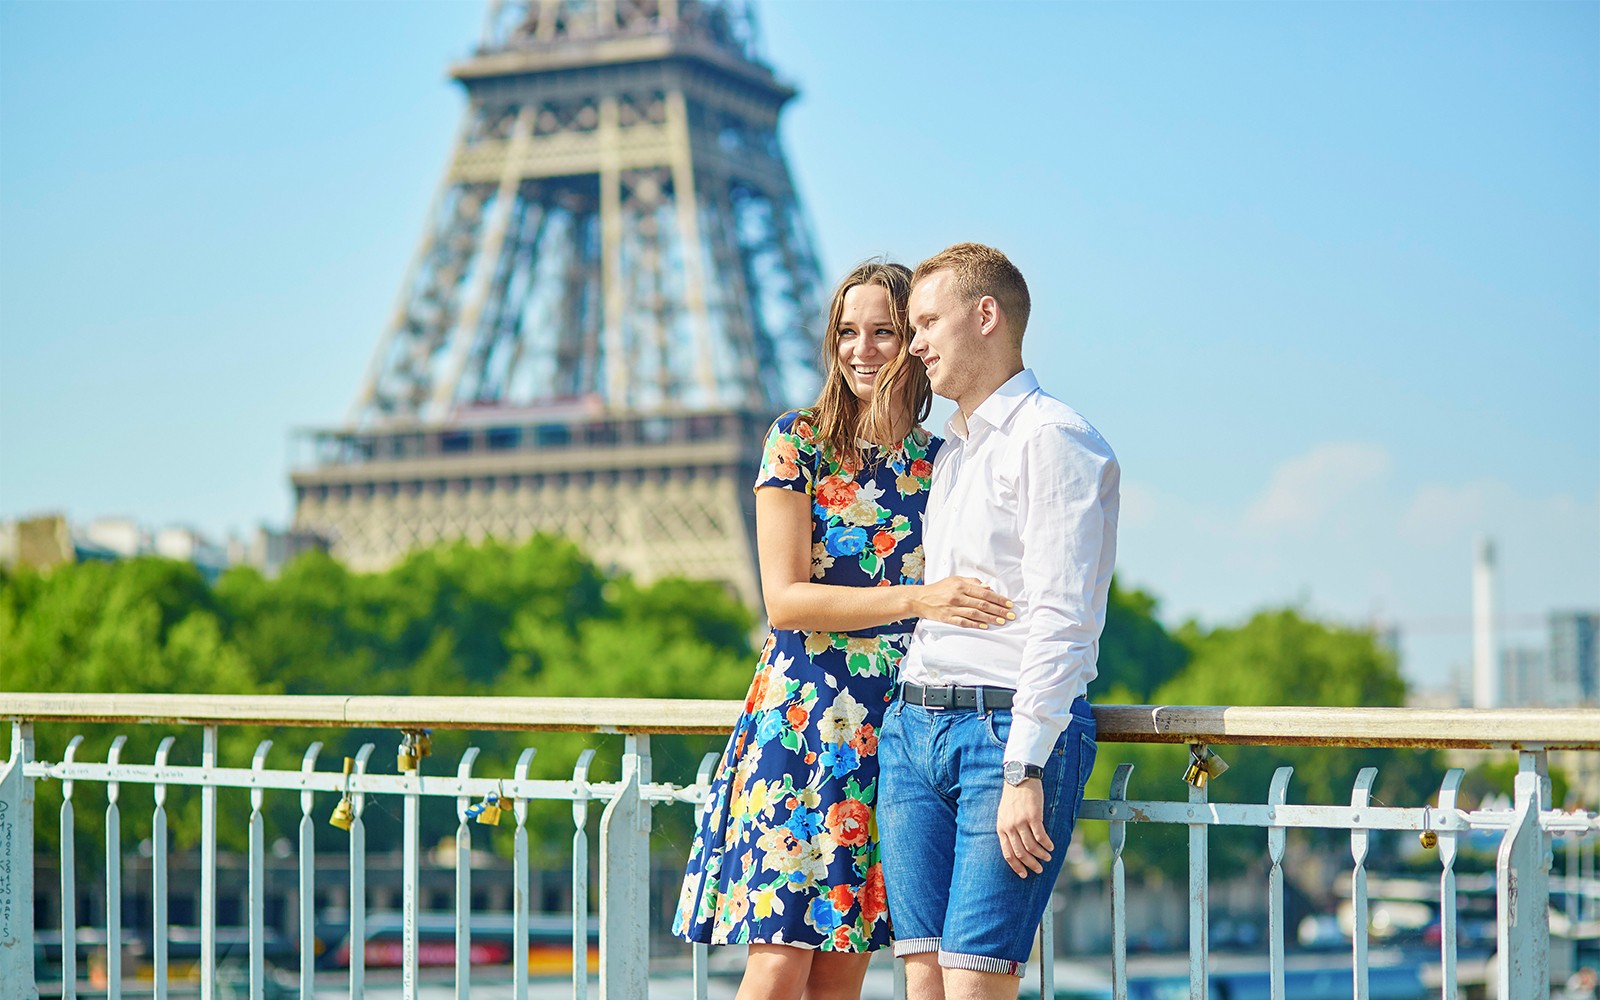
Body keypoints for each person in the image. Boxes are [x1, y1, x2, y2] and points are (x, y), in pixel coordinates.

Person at [673, 259, 1015, 1000]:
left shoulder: (941, 462)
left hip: (895, 733)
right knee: (776, 966)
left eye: (886, 332)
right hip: (803, 724)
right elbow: (786, 602)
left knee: (841, 969)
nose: (863, 350)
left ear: (917, 342)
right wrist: (919, 598)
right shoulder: (797, 442)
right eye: (848, 333)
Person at [878, 243, 1120, 999]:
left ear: (986, 316)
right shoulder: (955, 449)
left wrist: (1026, 768)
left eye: (925, 322)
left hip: (1003, 740)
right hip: (914, 734)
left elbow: (1063, 620)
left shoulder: (1053, 438)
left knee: (976, 988)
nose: (912, 344)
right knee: (923, 986)